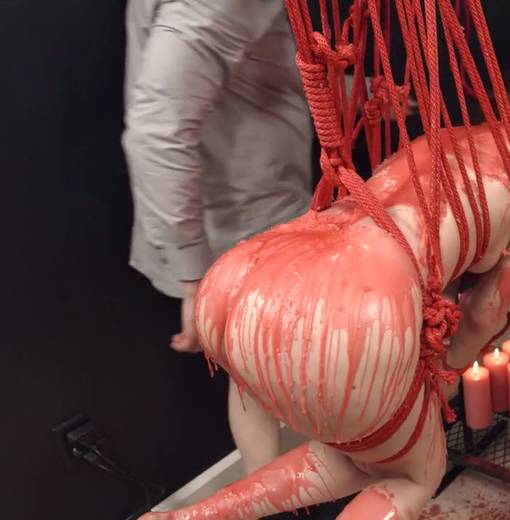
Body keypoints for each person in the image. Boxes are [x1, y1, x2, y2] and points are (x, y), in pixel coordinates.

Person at [140, 45, 510, 520]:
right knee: (414, 473)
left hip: (246, 274)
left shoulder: (461, 137)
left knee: (361, 452)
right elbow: (487, 309)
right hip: (357, 300)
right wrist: (446, 375)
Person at [122, 0, 314, 476]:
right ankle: (275, 496)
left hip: (254, 216)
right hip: (244, 229)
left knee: (258, 376)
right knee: (262, 374)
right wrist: (193, 277)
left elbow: (243, 70)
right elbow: (157, 130)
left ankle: (278, 493)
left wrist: (353, 90)